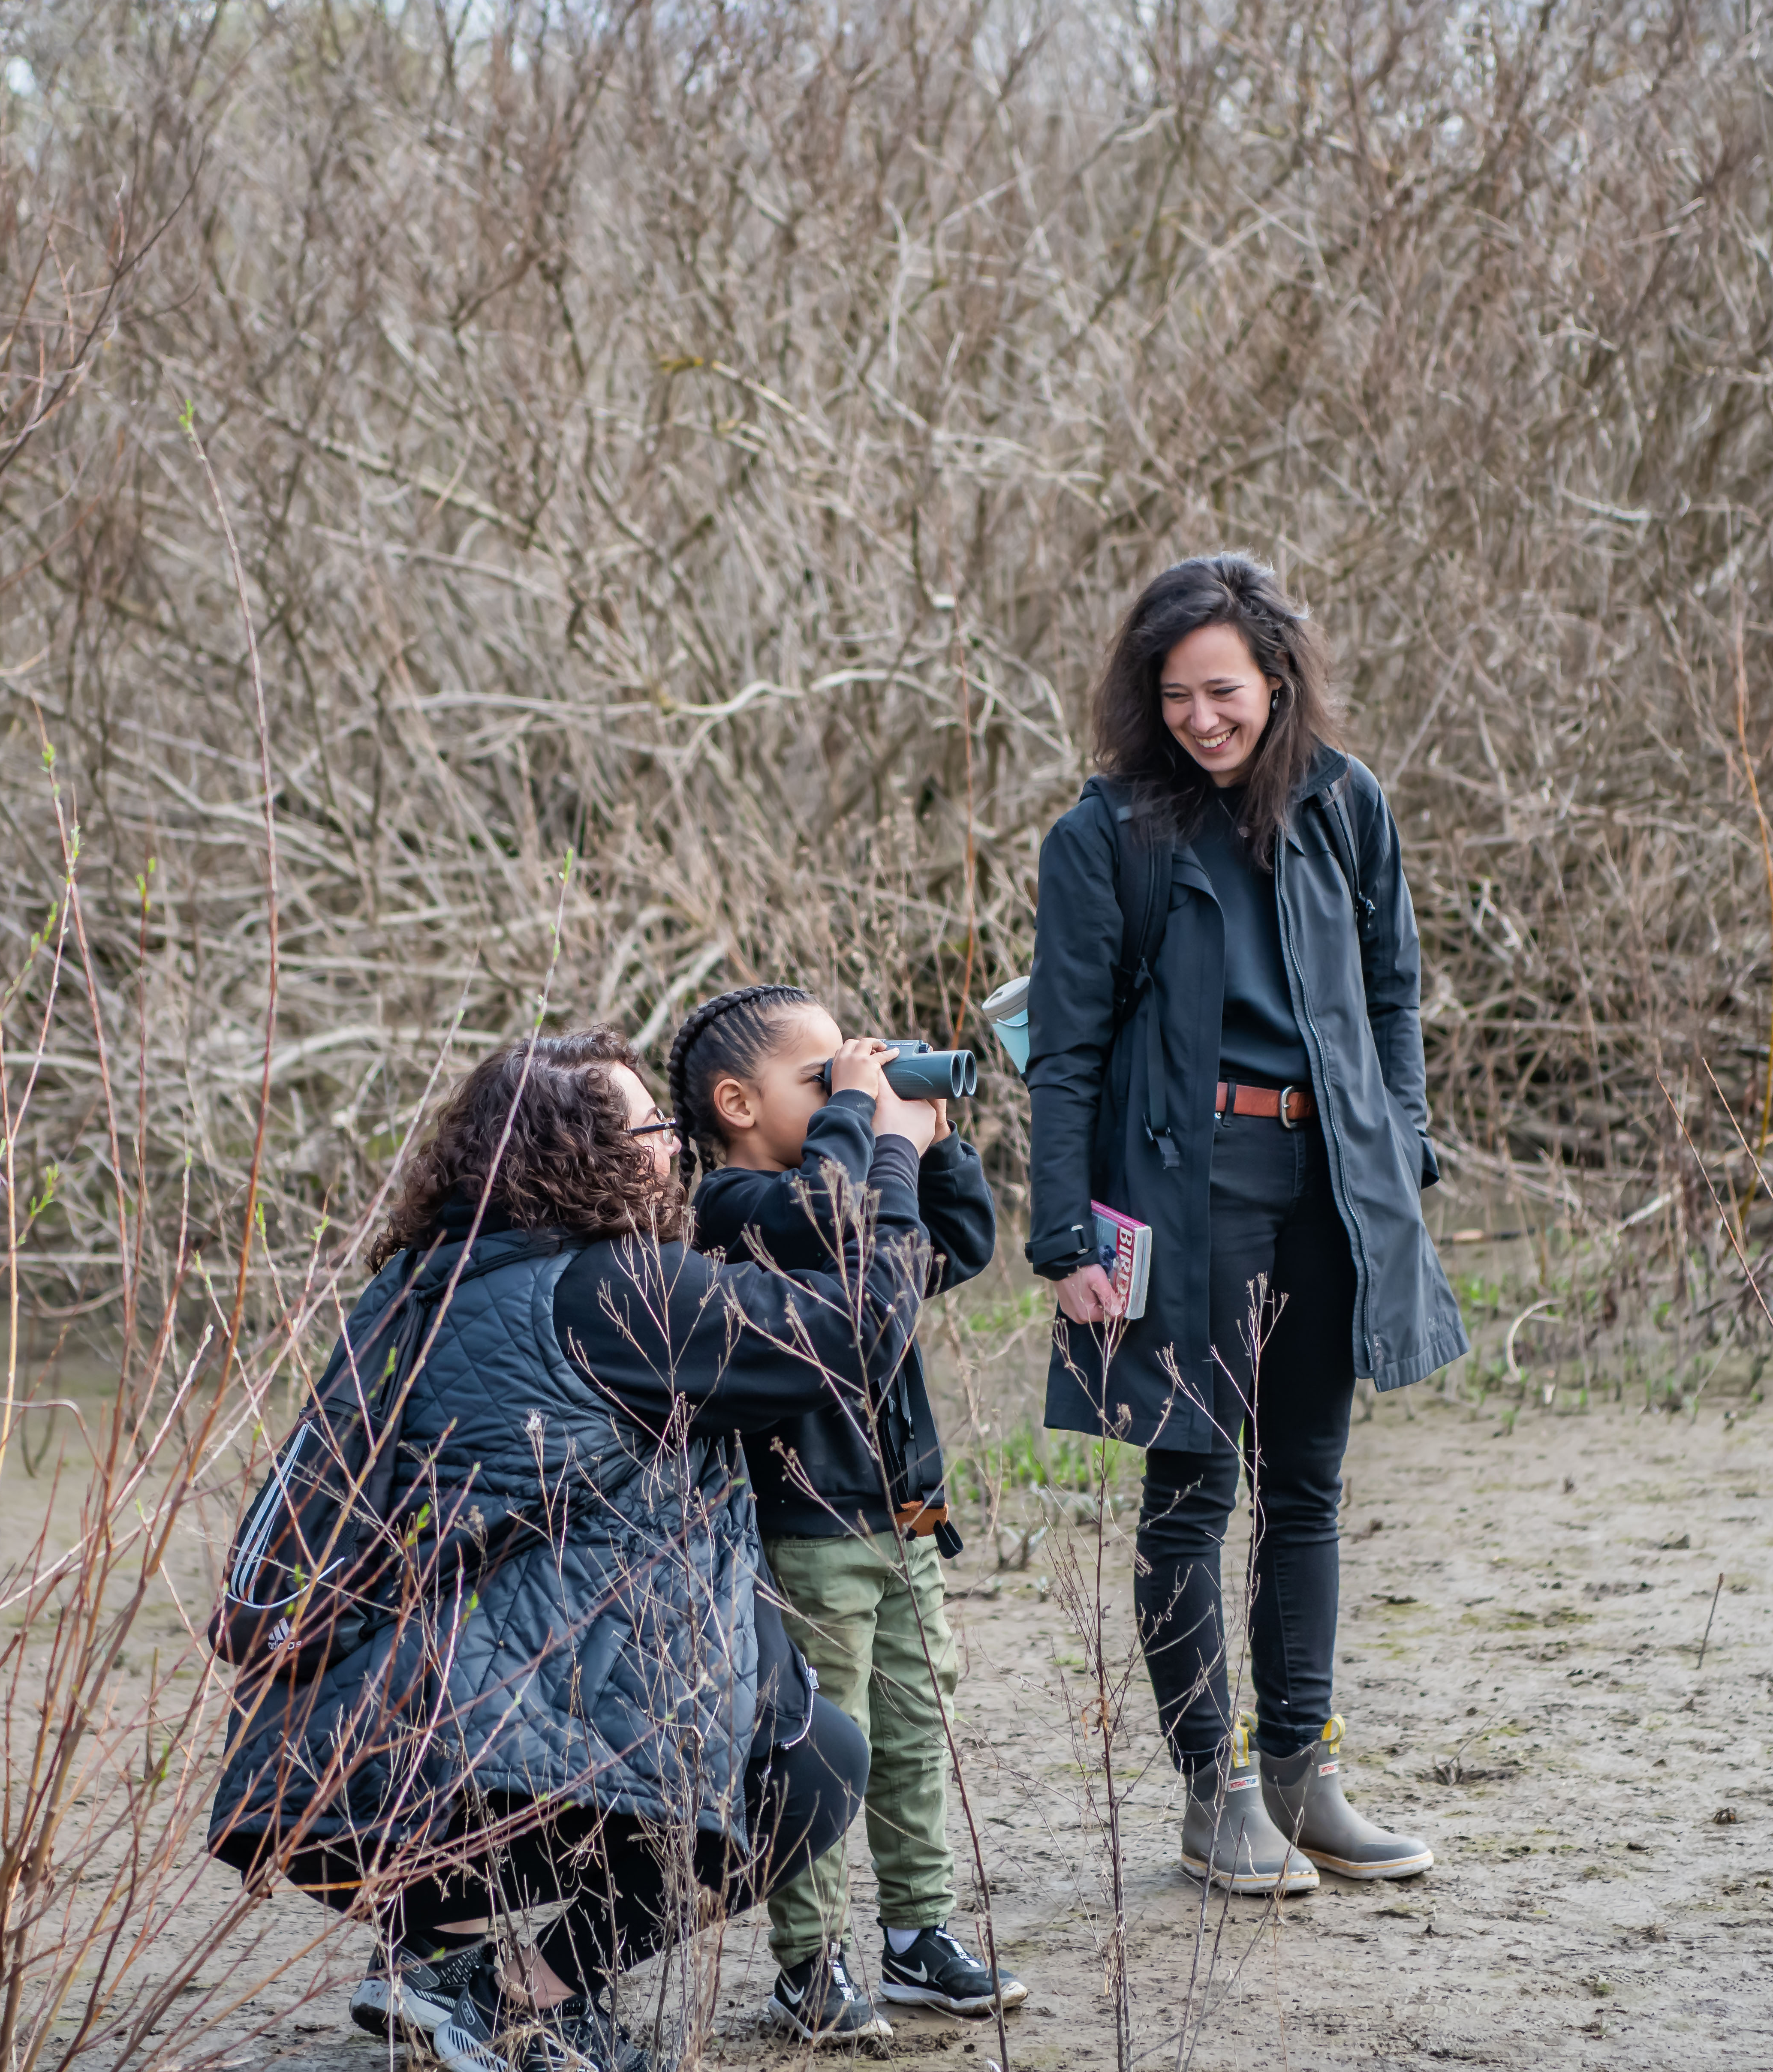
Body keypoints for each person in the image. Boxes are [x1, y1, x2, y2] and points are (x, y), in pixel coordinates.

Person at [204, 1028, 938, 2072]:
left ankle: (433, 1963)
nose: (674, 1150)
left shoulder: (418, 1284)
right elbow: (858, 1335)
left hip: (330, 1775)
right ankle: (523, 1998)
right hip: (473, 1776)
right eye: (649, 1130)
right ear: (582, 1154)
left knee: (534, 1655)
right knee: (813, 1764)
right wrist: (888, 1145)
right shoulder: (613, 1292)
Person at [1024, 554, 1466, 1895]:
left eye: (1224, 690)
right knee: (1191, 1490)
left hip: (1330, 1177)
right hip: (1183, 1188)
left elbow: (1392, 995)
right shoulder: (1103, 835)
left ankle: (1301, 1774)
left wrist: (1401, 1137)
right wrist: (1060, 1242)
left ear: (1277, 679)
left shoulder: (1345, 803)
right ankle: (1211, 1792)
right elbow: (1065, 1053)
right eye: (1174, 696)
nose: (1202, 719)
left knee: (1308, 1490)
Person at [668, 985, 1029, 2043]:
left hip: (905, 1516)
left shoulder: (860, 1185)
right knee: (835, 1743)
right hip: (809, 1524)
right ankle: (809, 1961)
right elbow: (824, 1212)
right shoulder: (731, 1208)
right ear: (738, 1102)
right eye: (824, 1080)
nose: (852, 1094)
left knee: (919, 1734)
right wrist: (874, 1132)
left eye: (853, 1074)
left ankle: (918, 1934)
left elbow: (951, 1245)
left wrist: (936, 1147)